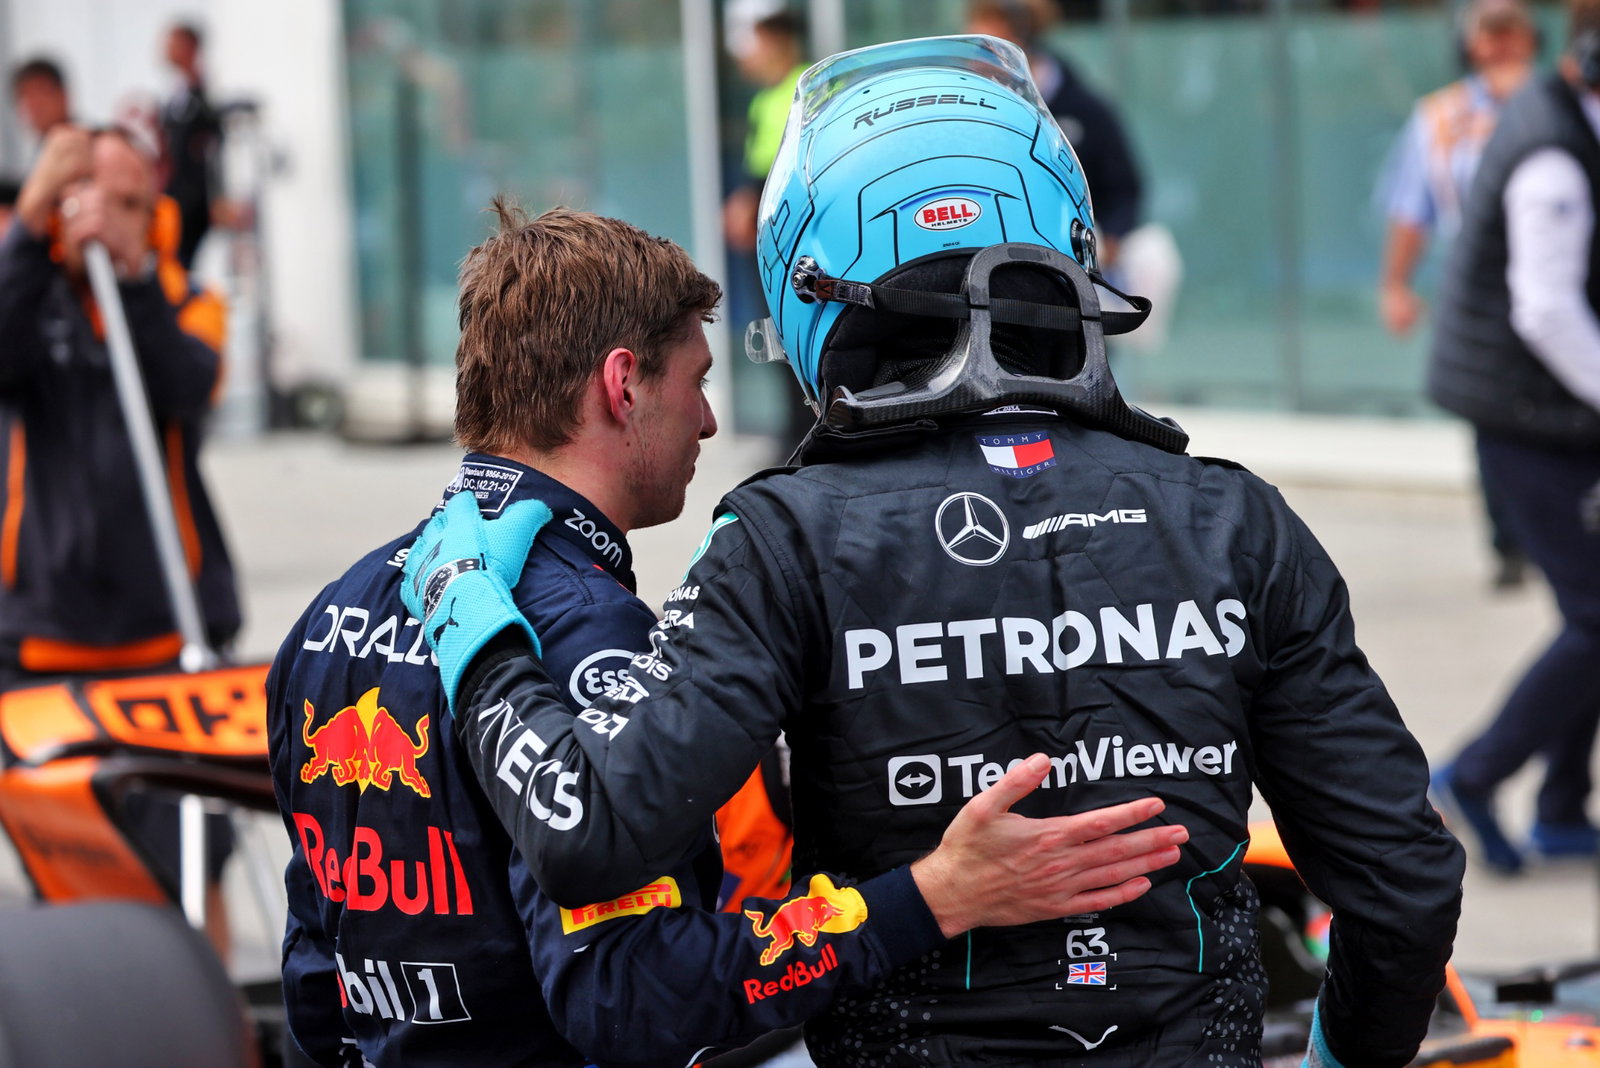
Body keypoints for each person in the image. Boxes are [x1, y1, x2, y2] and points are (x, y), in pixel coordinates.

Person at [400, 36, 1463, 1066]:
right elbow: (1403, 883)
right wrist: (1340, 1054)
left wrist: (469, 614)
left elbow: (588, 826)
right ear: (1064, 243)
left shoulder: (784, 539)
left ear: (813, 280)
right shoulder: (1234, 520)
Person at [265, 202, 1187, 1066]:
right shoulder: (586, 632)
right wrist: (931, 898)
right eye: (697, 382)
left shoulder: (329, 615)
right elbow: (634, 996)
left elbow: (315, 977)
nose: (709, 420)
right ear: (623, 385)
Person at [1429, 0, 1600, 874]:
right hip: (1531, 419)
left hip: (1549, 410)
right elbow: (1546, 309)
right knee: (1596, 618)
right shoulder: (1553, 160)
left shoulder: (1568, 120)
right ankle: (1477, 774)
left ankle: (1565, 806)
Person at [0, 123, 238, 682]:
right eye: (89, 196)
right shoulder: (29, 295)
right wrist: (31, 226)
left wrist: (136, 280)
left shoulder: (190, 300)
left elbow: (189, 388)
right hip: (40, 636)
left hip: (170, 625)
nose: (104, 218)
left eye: (128, 204)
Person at [1378, 0, 1539, 590]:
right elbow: (1410, 210)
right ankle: (1510, 543)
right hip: (1482, 291)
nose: (1501, 46)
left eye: (1512, 32)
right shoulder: (1442, 117)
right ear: (1469, 45)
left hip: (1560, 283)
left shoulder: (1560, 102)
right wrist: (1396, 283)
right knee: (1491, 416)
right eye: (1489, 33)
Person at [965, 0, 1143, 268]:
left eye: (988, 46)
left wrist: (1110, 242)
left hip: (1078, 245)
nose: (977, 58)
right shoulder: (965, 113)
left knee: (1153, 254)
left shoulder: (1085, 109)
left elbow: (1123, 189)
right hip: (995, 245)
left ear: (1021, 39)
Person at [160, 22, 223, 268]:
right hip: (175, 199)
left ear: (190, 47)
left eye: (172, 43)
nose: (165, 50)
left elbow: (214, 151)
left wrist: (219, 198)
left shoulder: (203, 98)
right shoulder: (178, 95)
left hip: (193, 203)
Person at [10, 57, 71, 145]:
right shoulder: (42, 148)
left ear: (63, 95)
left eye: (41, 92)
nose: (34, 105)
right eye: (25, 97)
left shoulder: (89, 145)